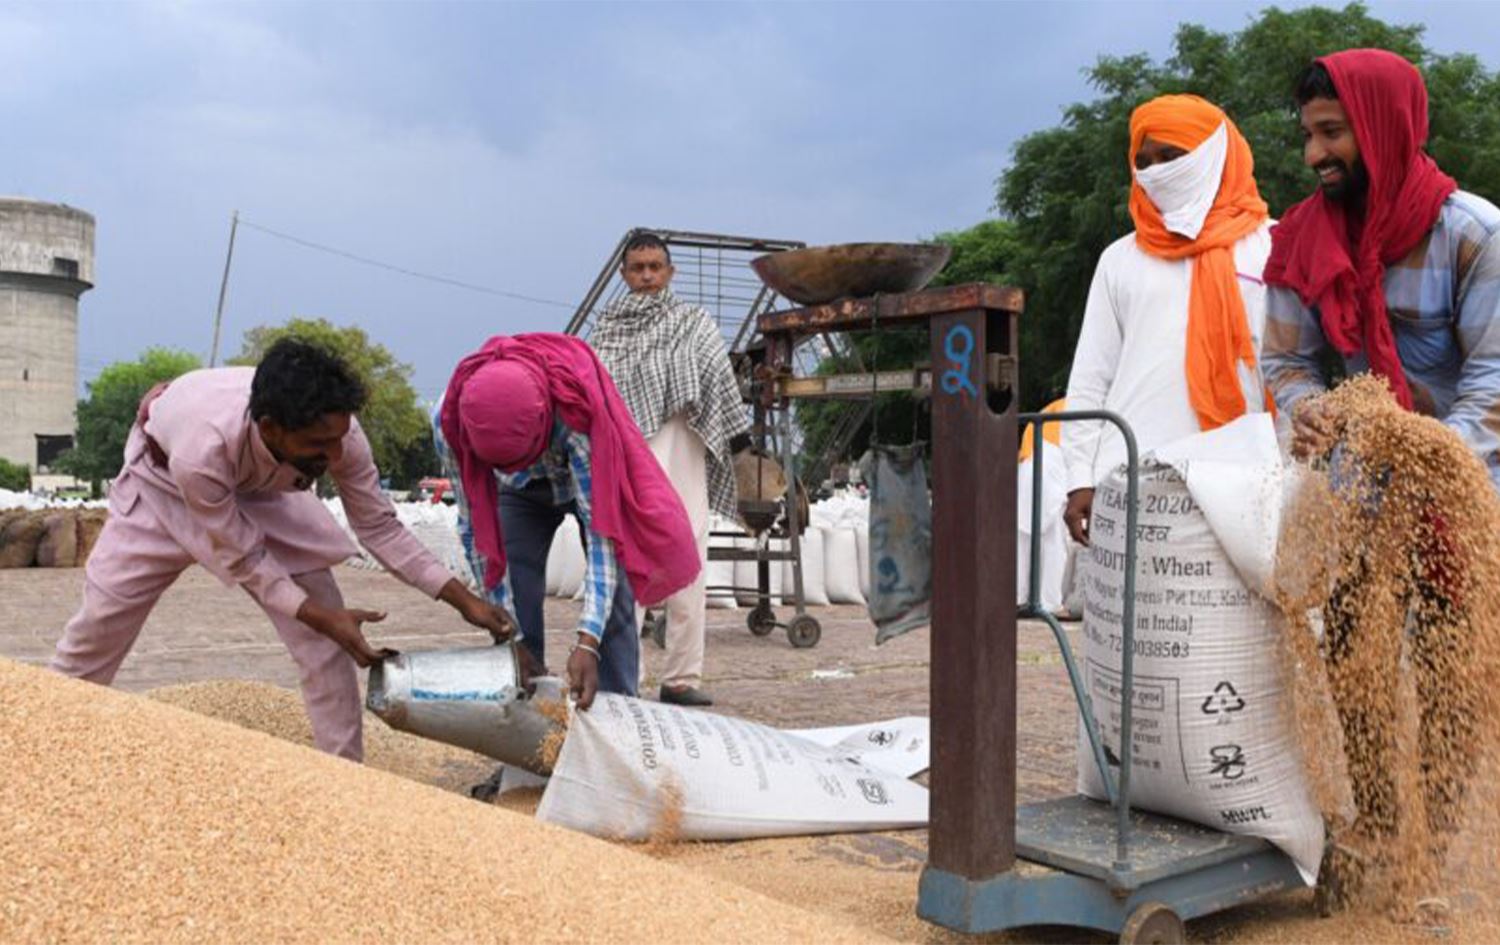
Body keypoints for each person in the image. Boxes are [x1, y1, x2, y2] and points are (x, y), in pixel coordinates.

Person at [1260, 49, 1500, 910]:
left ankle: (1431, 857)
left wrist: (1427, 454)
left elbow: (1495, 384)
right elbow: (1286, 361)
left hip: (1464, 501)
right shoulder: (1299, 237)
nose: (1315, 155)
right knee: (1352, 658)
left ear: (1383, 127)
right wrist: (1309, 412)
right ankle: (1374, 826)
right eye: (1310, 136)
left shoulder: (1474, 232)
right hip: (1359, 497)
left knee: (1452, 677)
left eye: (1333, 134)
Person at [51, 340, 514, 762]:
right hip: (162, 486)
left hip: (266, 492)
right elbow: (247, 559)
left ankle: (343, 775)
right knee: (100, 624)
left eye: (337, 440)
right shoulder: (202, 450)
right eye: (318, 446)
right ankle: (47, 737)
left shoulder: (339, 433)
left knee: (328, 645)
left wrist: (464, 601)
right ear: (271, 428)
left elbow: (378, 526)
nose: (334, 457)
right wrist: (317, 613)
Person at [434, 332, 699, 711]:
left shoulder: (576, 416)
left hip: (578, 479)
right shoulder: (451, 424)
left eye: (521, 457)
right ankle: (526, 720)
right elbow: (475, 530)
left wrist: (587, 641)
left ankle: (619, 722)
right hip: (517, 494)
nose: (518, 468)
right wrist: (512, 644)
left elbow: (603, 538)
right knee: (515, 581)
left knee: (617, 598)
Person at [1063, 95, 1274, 545]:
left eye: (1171, 156)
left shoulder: (1274, 246)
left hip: (1248, 477)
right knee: (1137, 615)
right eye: (1144, 160)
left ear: (1214, 154)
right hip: (1135, 476)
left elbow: (1296, 364)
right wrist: (1080, 477)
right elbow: (1090, 378)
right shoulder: (1119, 260)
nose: (1156, 170)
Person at [589, 232, 752, 706]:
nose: (646, 276)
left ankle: (681, 678)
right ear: (624, 275)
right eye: (637, 268)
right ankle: (624, 678)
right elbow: (598, 394)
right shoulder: (608, 329)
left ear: (670, 272)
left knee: (691, 558)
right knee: (632, 562)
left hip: (684, 452)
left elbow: (720, 384)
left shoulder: (694, 323)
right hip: (632, 459)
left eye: (654, 267)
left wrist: (741, 447)